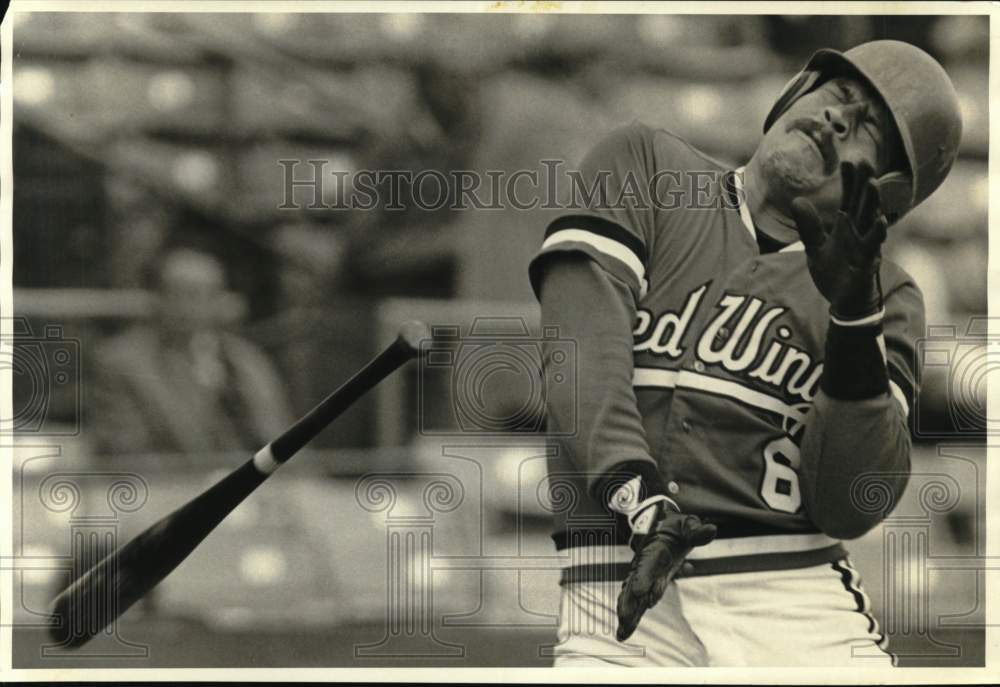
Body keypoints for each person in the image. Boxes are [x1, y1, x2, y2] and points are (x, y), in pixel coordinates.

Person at [529, 40, 962, 666]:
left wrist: (852, 321)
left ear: (885, 193)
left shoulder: (887, 298)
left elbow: (850, 503)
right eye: (839, 94)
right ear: (794, 92)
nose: (839, 119)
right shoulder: (645, 166)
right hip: (615, 597)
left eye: (869, 127)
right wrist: (642, 502)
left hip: (794, 601)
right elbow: (580, 358)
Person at [91, 247, 295, 458]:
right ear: (157, 297)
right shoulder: (121, 361)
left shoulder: (247, 359)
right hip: (174, 477)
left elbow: (280, 437)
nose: (192, 305)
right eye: (181, 293)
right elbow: (127, 454)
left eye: (206, 294)